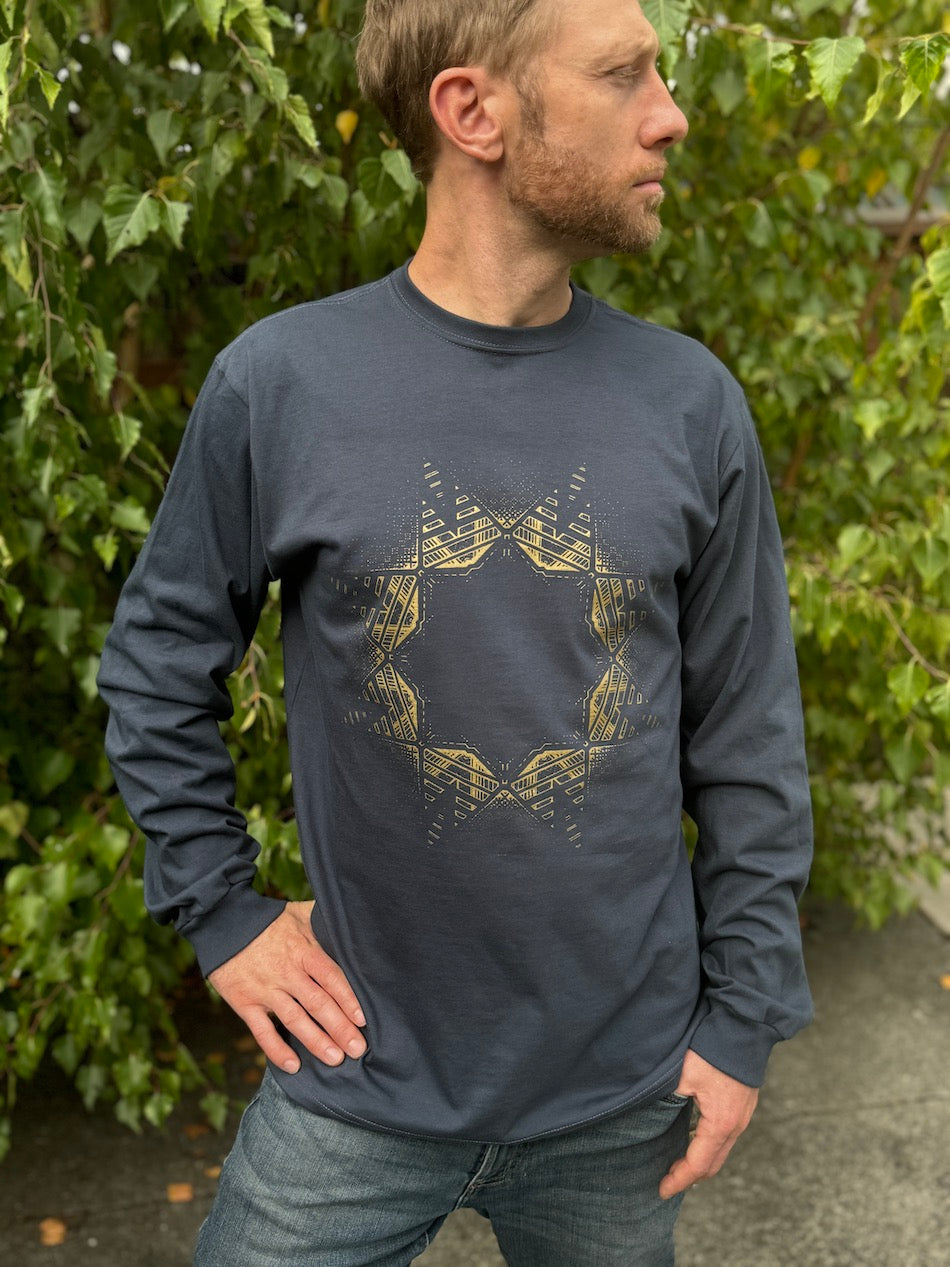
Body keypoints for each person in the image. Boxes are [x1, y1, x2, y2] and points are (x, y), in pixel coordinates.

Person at [97, 0, 814, 1262]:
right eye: (622, 74)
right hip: (352, 1083)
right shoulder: (282, 385)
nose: (668, 115)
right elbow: (158, 666)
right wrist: (222, 913)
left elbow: (746, 736)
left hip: (624, 1098)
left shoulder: (688, 404)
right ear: (471, 111)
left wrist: (742, 1020)